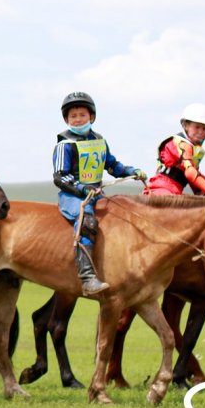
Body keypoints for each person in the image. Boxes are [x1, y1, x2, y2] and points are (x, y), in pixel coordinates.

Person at [52, 92, 147, 296]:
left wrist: (131, 171)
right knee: (86, 221)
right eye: (73, 116)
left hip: (96, 193)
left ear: (91, 117)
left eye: (82, 115)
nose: (77, 119)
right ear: (67, 120)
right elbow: (60, 176)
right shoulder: (64, 144)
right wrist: (82, 188)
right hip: (74, 195)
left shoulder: (99, 140)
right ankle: (87, 278)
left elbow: (111, 166)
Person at [146, 103, 205, 196]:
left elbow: (195, 177)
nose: (201, 132)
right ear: (185, 125)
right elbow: (191, 173)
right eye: (197, 127)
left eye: (204, 128)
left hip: (175, 190)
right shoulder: (182, 144)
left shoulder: (195, 149)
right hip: (161, 189)